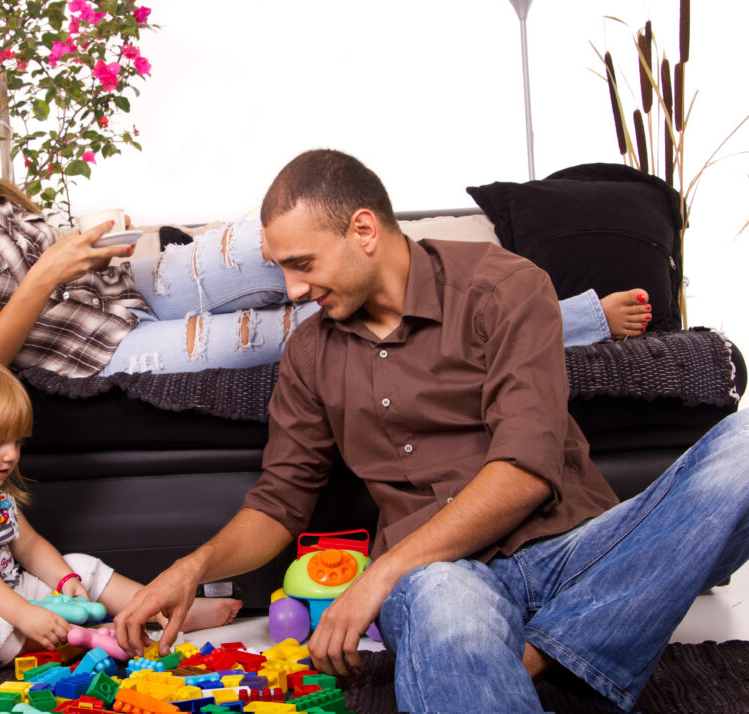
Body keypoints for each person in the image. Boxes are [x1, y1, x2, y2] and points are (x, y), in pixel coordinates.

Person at [113, 149, 749, 712]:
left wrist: (377, 577)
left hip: (577, 550)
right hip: (445, 576)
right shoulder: (310, 352)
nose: (294, 289)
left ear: (364, 230)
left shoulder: (504, 286)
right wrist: (192, 567)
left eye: (302, 264)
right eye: (283, 269)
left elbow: (525, 472)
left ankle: (539, 655)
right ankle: (560, 649)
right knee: (444, 606)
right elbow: (280, 502)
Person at [0, 49, 315, 380]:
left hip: (129, 289)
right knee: (303, 329)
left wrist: (92, 252)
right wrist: (45, 276)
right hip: (94, 349)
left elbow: (56, 267)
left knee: (281, 239)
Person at [0, 359, 240, 668]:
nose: (12, 455)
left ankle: (157, 611)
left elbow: (29, 546)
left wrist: (66, 580)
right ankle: (83, 638)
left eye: (17, 443)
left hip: (7, 591)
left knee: (80, 565)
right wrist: (24, 614)